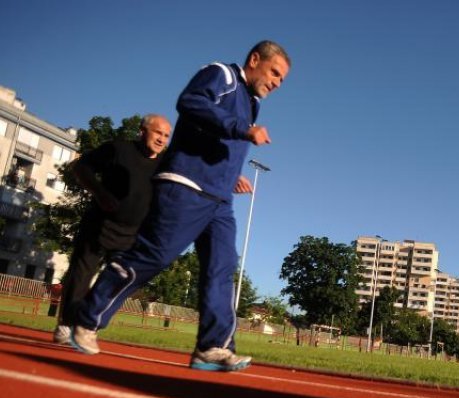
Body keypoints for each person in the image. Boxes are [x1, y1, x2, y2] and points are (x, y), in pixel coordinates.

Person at [71, 40, 291, 372]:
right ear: (254, 59)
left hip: (219, 199)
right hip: (185, 186)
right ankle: (88, 317)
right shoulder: (222, 75)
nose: (276, 82)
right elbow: (190, 102)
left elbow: (221, 144)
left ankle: (212, 347)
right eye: (274, 72)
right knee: (154, 256)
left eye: (282, 80)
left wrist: (231, 175)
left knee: (222, 267)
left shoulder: (252, 104)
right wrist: (241, 130)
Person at [53, 114, 171, 344]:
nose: (161, 139)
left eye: (166, 136)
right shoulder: (118, 149)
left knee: (116, 279)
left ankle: (88, 323)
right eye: (158, 133)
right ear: (142, 131)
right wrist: (99, 192)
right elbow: (82, 167)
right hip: (100, 225)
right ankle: (66, 324)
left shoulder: (164, 165)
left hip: (133, 234)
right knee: (80, 274)